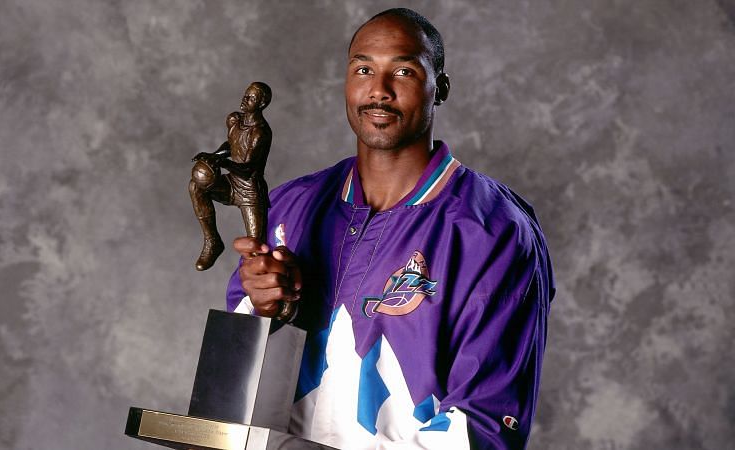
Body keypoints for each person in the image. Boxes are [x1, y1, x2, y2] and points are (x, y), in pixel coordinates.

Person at [226, 8, 554, 449]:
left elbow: (485, 428)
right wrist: (260, 309)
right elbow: (232, 401)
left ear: (441, 88)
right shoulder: (289, 206)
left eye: (403, 71)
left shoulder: (494, 232)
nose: (378, 91)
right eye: (363, 69)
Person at [189, 81, 272, 271]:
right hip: (232, 183)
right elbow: (230, 144)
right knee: (196, 186)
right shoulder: (235, 120)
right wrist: (214, 156)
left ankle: (272, 293)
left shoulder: (260, 133)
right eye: (245, 94)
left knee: (258, 250)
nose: (244, 99)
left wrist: (222, 163)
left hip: (250, 190)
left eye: (251, 98)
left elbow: (248, 169)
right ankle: (213, 241)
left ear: (261, 104)